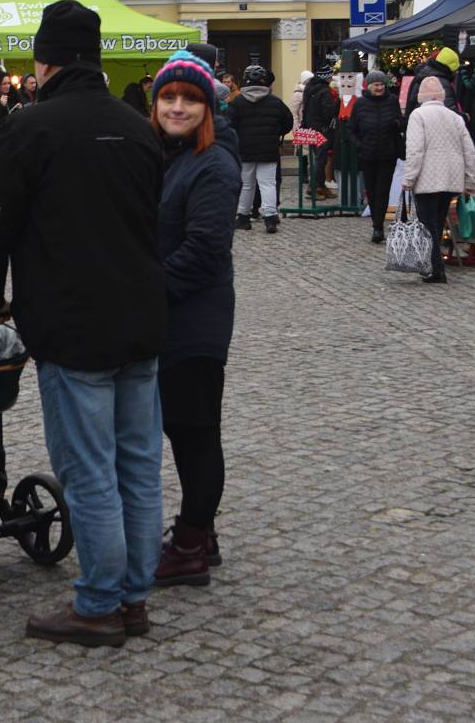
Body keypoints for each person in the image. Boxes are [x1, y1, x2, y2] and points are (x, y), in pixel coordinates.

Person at [0, 0, 166, 647]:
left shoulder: (32, 129)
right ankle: (133, 597)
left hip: (73, 324)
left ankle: (100, 602)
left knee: (89, 470)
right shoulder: (138, 128)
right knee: (138, 466)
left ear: (44, 62)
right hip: (141, 319)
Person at [146, 51, 239, 588]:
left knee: (196, 432)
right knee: (185, 430)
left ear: (207, 107)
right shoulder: (167, 155)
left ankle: (190, 546)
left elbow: (204, 250)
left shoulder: (213, 163)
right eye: (168, 97)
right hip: (171, 313)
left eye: (189, 99)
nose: (177, 107)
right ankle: (200, 535)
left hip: (195, 316)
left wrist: (142, 292)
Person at [401, 77, 475, 285]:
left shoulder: (418, 115)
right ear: (442, 96)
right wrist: (470, 181)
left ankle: (435, 268)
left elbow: (415, 150)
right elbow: (469, 151)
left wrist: (409, 178)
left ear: (421, 97)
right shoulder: (455, 117)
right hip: (451, 177)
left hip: (427, 178)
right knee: (438, 220)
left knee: (429, 224)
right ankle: (435, 266)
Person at [225, 64, 292, 234]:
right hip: (269, 149)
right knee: (268, 184)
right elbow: (288, 123)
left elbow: (229, 125)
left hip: (244, 150)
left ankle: (243, 217)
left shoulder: (237, 102)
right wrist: (275, 133)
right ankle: (270, 218)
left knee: (246, 185)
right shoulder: (275, 102)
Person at [349, 69, 405, 244]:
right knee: (372, 191)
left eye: (381, 84)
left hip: (387, 154)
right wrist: (360, 145)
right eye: (376, 85)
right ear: (369, 86)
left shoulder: (392, 101)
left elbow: (401, 122)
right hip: (368, 154)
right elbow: (351, 129)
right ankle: (376, 221)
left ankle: (378, 227)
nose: (379, 88)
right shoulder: (360, 103)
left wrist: (397, 123)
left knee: (383, 191)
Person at [300, 70, 339, 200]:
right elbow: (328, 112)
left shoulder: (309, 88)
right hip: (322, 129)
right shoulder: (324, 91)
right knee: (320, 159)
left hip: (311, 128)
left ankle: (321, 186)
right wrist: (338, 103)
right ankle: (314, 187)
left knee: (317, 158)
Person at [411, 47, 461, 117]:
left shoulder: (423, 75)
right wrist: (464, 117)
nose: (456, 72)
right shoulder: (441, 82)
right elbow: (449, 112)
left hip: (420, 120)